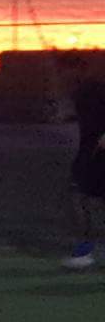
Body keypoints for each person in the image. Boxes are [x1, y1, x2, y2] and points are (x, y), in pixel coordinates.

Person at [57, 56, 105, 269]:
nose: (63, 77)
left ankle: (84, 252)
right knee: (80, 198)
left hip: (95, 155)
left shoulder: (91, 90)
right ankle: (85, 251)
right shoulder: (80, 93)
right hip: (90, 154)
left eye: (65, 72)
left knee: (78, 198)